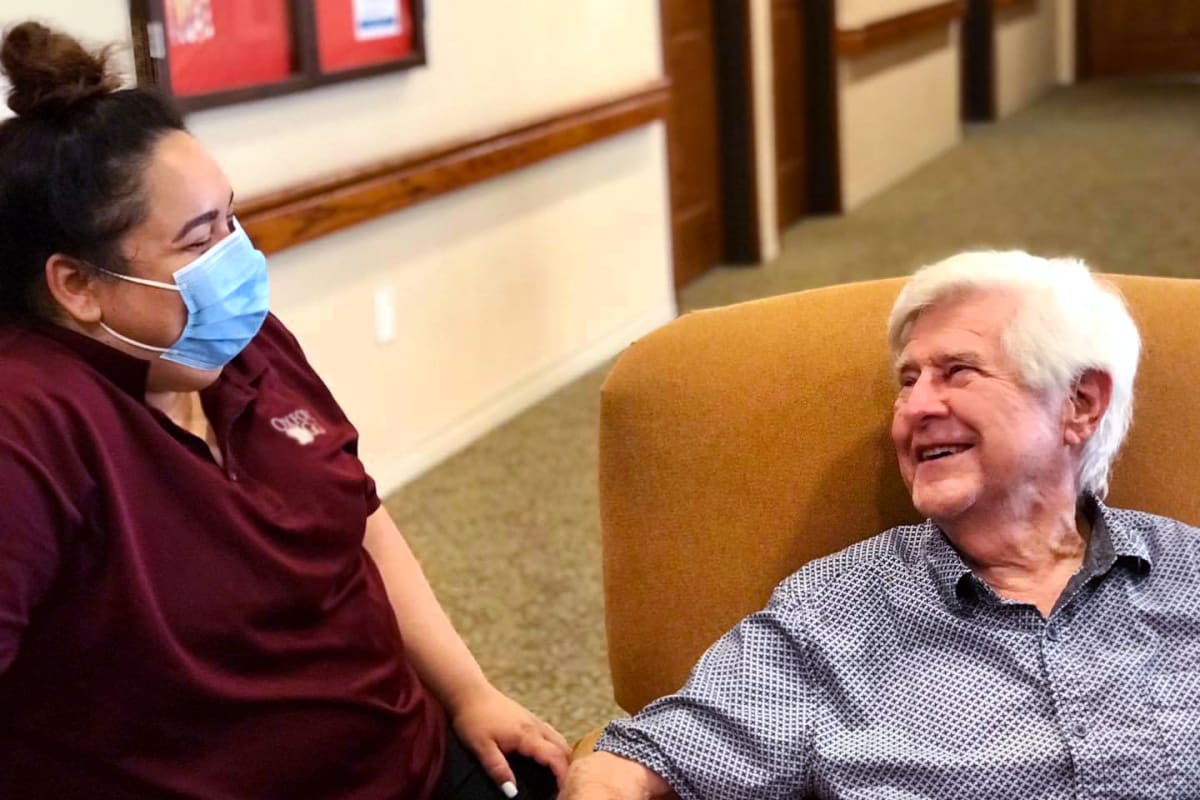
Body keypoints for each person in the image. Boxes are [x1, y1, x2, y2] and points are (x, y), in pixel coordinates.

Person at [0, 21, 566, 800]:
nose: (238, 259)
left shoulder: (238, 344)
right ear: (77, 285)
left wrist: (470, 692)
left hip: (411, 756)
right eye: (199, 240)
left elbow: (358, 516)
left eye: (230, 218)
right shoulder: (28, 422)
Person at [562, 250, 1200, 799]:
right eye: (909, 380)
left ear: (1079, 404)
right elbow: (636, 764)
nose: (915, 408)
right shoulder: (837, 613)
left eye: (959, 372)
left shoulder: (1187, 570)